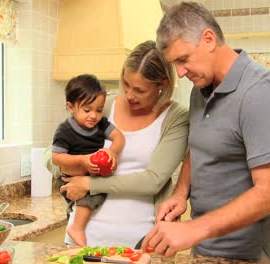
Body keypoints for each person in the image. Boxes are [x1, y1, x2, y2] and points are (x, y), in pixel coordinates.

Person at [141, 2, 270, 263]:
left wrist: (193, 229)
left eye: (183, 59)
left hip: (250, 253)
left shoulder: (259, 93)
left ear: (209, 39)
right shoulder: (200, 88)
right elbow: (197, 147)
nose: (180, 72)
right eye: (174, 63)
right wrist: (180, 193)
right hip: (205, 244)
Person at [43, 40, 189, 248]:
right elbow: (52, 153)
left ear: (162, 84)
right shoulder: (104, 106)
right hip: (83, 236)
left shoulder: (176, 118)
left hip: (140, 240)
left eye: (139, 90)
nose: (129, 95)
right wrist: (74, 166)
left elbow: (153, 180)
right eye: (126, 84)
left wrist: (90, 184)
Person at [51, 74, 125, 246]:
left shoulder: (101, 125)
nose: (94, 116)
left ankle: (75, 217)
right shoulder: (64, 130)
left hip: (90, 173)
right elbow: (56, 158)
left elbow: (119, 137)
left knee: (96, 189)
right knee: (92, 194)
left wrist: (112, 152)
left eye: (99, 110)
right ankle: (76, 227)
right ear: (70, 107)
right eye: (87, 110)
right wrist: (82, 160)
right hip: (68, 178)